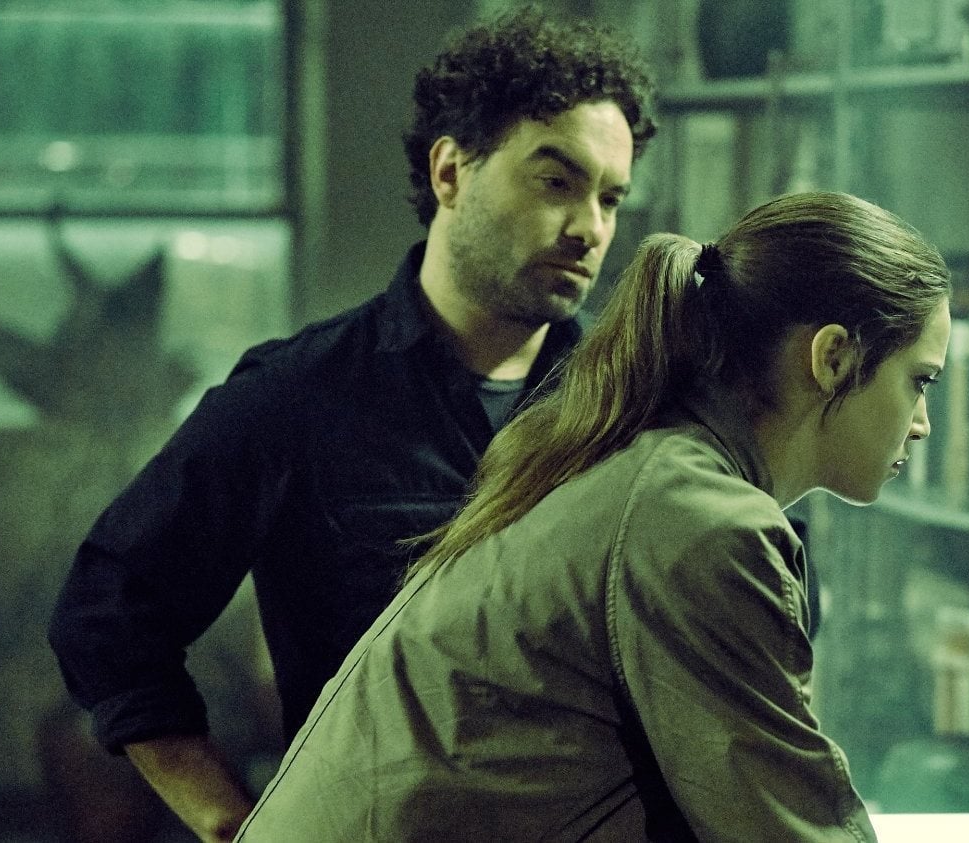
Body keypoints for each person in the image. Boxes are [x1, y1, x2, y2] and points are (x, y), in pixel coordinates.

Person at [46, 8, 656, 841]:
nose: (591, 228)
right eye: (557, 182)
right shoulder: (300, 396)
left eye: (611, 197)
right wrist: (229, 820)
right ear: (451, 172)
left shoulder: (634, 407)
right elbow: (108, 610)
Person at [234, 190, 953, 841]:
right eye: (918, 381)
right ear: (832, 357)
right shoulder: (702, 520)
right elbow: (783, 824)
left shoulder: (644, 462)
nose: (921, 423)